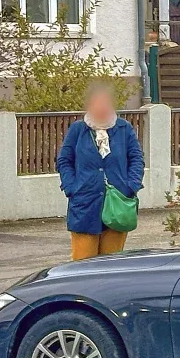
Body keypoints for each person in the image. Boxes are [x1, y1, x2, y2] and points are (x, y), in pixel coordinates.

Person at [55, 82, 144, 261]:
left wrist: (130, 187)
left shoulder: (124, 129)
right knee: (82, 265)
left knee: (112, 265)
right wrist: (72, 187)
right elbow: (64, 160)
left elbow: (136, 159)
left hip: (118, 203)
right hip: (84, 204)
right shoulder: (78, 130)